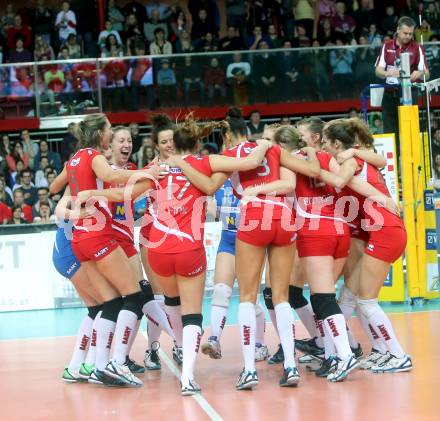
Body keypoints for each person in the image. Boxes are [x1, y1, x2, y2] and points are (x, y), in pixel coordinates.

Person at [150, 117, 274, 395]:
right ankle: (187, 377)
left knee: (171, 303)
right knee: (192, 315)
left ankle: (180, 348)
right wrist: (264, 143)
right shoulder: (207, 162)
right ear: (196, 143)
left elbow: (125, 189)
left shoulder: (154, 168)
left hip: (157, 249)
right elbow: (250, 162)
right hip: (188, 249)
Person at [51, 113, 159, 387]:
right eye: (110, 129)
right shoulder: (92, 156)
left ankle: (101, 368)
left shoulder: (74, 159)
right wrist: (147, 172)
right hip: (98, 235)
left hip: (80, 238)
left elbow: (60, 192)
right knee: (133, 296)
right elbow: (111, 175)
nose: (112, 133)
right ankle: (118, 362)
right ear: (100, 133)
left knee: (109, 303)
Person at [319, 118, 412, 373]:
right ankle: (381, 350)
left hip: (385, 230)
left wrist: (313, 168)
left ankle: (398, 354)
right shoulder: (356, 157)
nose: (323, 145)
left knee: (367, 300)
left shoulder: (350, 161)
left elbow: (345, 182)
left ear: (337, 143)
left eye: (326, 141)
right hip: (381, 230)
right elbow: (362, 178)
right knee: (358, 297)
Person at [201, 108, 269, 363]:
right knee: (220, 290)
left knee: (250, 298)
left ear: (229, 135)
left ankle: (260, 344)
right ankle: (214, 339)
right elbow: (212, 201)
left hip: (251, 237)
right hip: (229, 237)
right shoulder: (222, 167)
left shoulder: (253, 159)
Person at [375, 16, 429, 137]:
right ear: (398, 30)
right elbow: (378, 71)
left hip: (410, 93)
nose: (408, 36)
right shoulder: (387, 46)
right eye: (405, 33)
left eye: (410, 34)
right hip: (390, 94)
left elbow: (427, 72)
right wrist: (387, 73)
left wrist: (419, 73)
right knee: (390, 132)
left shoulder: (417, 47)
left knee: (409, 131)